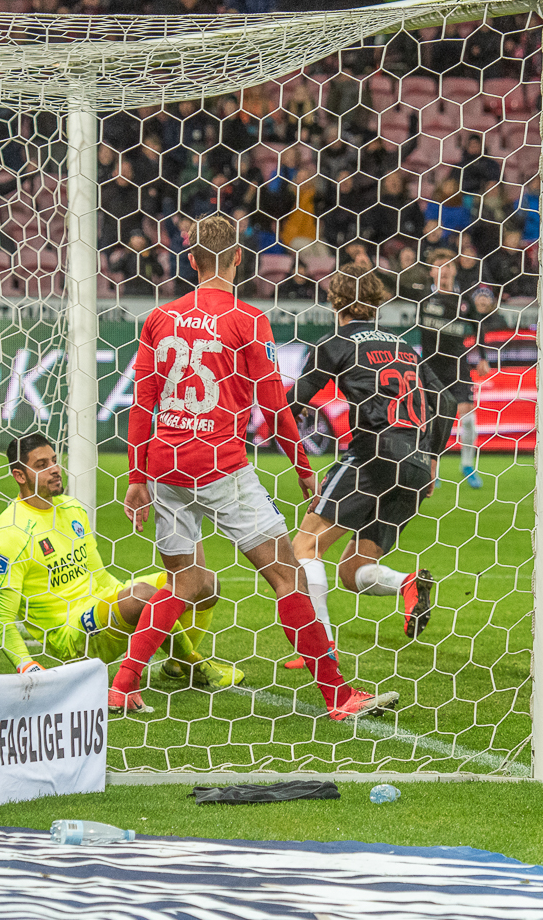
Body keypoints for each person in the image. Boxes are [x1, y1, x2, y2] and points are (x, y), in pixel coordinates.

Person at [118, 215, 397, 721]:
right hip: (220, 464)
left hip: (165, 466)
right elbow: (274, 406)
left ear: (191, 259)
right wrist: (303, 466)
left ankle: (122, 687)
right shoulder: (248, 319)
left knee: (182, 583)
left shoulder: (159, 318)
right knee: (288, 576)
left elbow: (142, 403)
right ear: (238, 258)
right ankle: (339, 697)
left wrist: (138, 477)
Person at [0, 434, 238, 693]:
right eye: (42, 465)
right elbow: (0, 618)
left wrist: (125, 602)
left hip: (101, 604)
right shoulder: (11, 532)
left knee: (202, 581)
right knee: (145, 596)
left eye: (54, 460)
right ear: (19, 476)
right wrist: (27, 666)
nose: (54, 470)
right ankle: (194, 664)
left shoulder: (71, 508)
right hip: (71, 633)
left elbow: (99, 576)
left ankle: (175, 667)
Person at [292, 267, 436, 645]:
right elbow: (445, 400)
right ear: (377, 302)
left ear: (335, 301)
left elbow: (295, 400)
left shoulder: (336, 342)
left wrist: (284, 412)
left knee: (305, 548)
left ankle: (320, 650)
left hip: (373, 457)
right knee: (353, 570)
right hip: (417, 466)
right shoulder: (404, 347)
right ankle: (407, 584)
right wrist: (432, 459)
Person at [418, 249, 486, 490]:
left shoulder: (464, 300)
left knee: (467, 418)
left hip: (458, 367)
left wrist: (483, 357)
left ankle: (467, 465)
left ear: (454, 271)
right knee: (432, 420)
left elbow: (478, 326)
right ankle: (432, 468)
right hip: (431, 369)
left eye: (448, 266)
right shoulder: (423, 298)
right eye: (439, 266)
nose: (444, 271)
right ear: (431, 272)